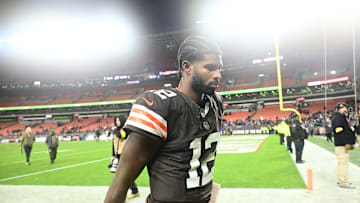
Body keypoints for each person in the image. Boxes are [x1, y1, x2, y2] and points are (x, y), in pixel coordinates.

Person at [105, 36, 224, 203]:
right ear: (187, 67)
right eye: (210, 68)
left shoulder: (215, 102)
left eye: (219, 68)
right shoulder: (161, 106)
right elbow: (120, 184)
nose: (218, 75)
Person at [110, 115, 140, 199]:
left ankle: (133, 191)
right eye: (116, 121)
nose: (117, 122)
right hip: (118, 155)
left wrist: (116, 131)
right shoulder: (116, 130)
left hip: (125, 154)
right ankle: (134, 190)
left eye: (118, 120)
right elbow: (114, 144)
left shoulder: (125, 129)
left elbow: (122, 136)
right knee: (123, 175)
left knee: (123, 175)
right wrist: (113, 155)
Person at [331, 102, 356, 189]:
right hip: (341, 144)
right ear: (341, 108)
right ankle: (343, 181)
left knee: (342, 163)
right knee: (343, 163)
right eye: (345, 108)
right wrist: (346, 143)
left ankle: (341, 179)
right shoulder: (338, 117)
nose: (346, 109)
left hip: (341, 143)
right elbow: (339, 132)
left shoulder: (339, 117)